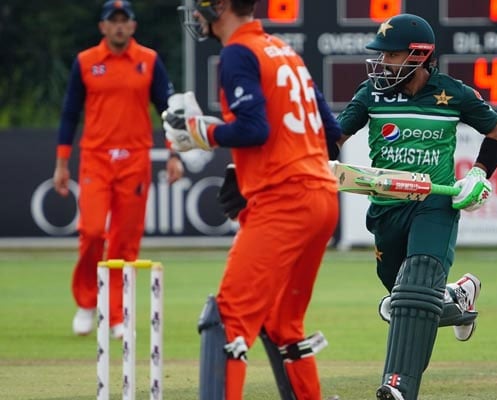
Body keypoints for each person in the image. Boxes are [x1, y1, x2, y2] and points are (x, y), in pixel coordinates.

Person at [167, 1, 341, 399]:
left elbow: (253, 128)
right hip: (321, 199)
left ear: (220, 6)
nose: (195, 14)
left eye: (200, 6)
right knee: (283, 323)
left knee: (228, 320)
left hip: (285, 201)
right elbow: (330, 130)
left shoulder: (237, 52)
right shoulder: (284, 51)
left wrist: (202, 132)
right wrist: (254, 167)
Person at [334, 13, 497, 400]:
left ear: (418, 56)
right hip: (386, 207)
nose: (382, 64)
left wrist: (479, 174)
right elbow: (336, 136)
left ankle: (398, 387)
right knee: (403, 299)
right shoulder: (371, 93)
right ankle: (456, 298)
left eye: (391, 56)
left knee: (412, 293)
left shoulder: (454, 93)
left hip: (435, 201)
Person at [54, 0, 183, 339]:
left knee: (125, 242)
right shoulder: (86, 62)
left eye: (125, 21)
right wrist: (62, 163)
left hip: (134, 160)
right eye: (114, 21)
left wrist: (174, 154)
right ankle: (86, 301)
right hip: (96, 158)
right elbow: (70, 114)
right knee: (93, 232)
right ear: (103, 27)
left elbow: (167, 109)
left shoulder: (149, 60)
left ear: (134, 26)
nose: (119, 27)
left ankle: (115, 315)